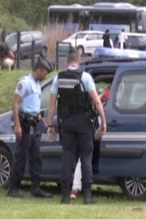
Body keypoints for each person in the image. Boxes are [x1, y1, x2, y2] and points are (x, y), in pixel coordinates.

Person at [46, 52, 107, 204]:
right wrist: (103, 122)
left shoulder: (57, 78)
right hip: (83, 122)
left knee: (67, 157)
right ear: (78, 61)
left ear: (67, 62)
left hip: (66, 122)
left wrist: (49, 125)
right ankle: (87, 196)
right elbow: (97, 102)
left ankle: (65, 196)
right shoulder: (85, 77)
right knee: (86, 156)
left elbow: (52, 104)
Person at [6, 57, 53, 199]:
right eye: (45, 72)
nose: (46, 75)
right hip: (25, 125)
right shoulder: (25, 83)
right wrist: (18, 125)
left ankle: (36, 187)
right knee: (21, 156)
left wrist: (43, 122)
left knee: (36, 157)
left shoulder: (38, 85)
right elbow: (15, 104)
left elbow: (33, 108)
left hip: (34, 124)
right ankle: (13, 188)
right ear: (38, 70)